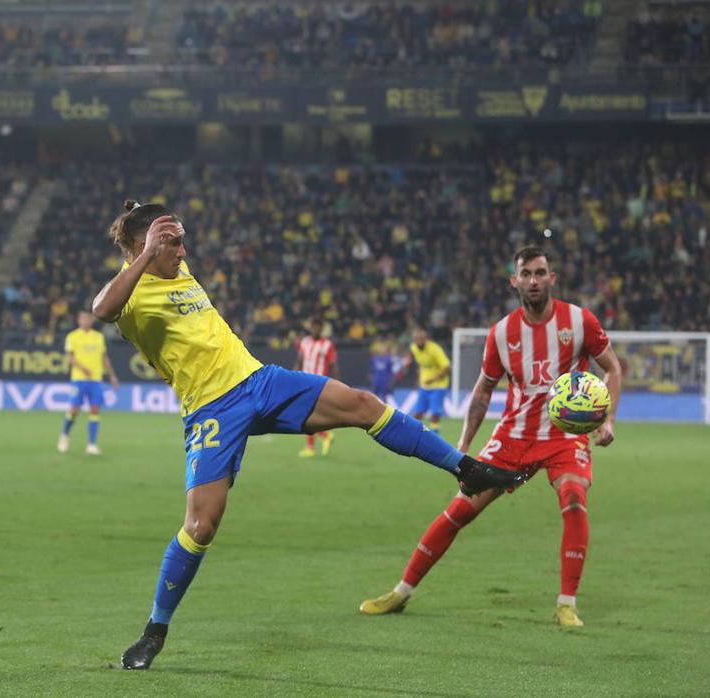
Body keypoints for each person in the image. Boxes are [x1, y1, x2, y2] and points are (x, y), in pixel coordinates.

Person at [92, 201, 526, 670]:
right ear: (144, 248)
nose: (182, 248)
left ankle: (466, 469)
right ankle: (155, 630)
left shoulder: (177, 266)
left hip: (259, 381)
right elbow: (101, 308)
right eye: (172, 241)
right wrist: (144, 251)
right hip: (211, 409)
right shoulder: (133, 292)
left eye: (181, 238)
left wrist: (146, 220)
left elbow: (147, 234)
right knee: (201, 527)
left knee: (364, 404)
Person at [360, 246, 622, 628]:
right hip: (513, 436)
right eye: (526, 274)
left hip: (564, 436)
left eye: (540, 272)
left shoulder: (579, 322)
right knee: (460, 510)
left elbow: (612, 369)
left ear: (552, 278)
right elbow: (483, 391)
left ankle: (566, 603)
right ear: (514, 281)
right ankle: (401, 592)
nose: (533, 280)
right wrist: (462, 449)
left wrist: (608, 419)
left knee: (574, 499)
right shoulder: (502, 333)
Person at [57, 311, 120, 455]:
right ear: (79, 320)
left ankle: (91, 444)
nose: (85, 321)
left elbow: (105, 358)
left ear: (91, 321)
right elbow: (69, 357)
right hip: (78, 379)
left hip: (96, 380)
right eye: (83, 319)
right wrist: (83, 368)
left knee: (95, 410)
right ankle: (64, 436)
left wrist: (112, 376)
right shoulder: (72, 336)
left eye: (88, 319)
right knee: (74, 410)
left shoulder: (98, 337)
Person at [294, 321, 338, 457]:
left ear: (322, 329)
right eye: (314, 327)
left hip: (318, 384)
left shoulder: (327, 345)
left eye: (319, 327)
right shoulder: (305, 342)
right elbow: (300, 361)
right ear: (311, 328)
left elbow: (333, 365)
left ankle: (317, 442)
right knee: (307, 415)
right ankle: (321, 439)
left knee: (306, 415)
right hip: (304, 382)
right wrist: (292, 377)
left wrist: (336, 384)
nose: (316, 330)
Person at [407, 326, 451, 431]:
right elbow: (421, 365)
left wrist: (434, 379)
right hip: (424, 386)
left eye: (421, 339)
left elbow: (448, 368)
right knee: (418, 413)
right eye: (417, 339)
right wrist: (419, 380)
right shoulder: (413, 348)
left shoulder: (435, 349)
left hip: (438, 386)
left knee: (435, 414)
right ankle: (412, 435)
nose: (419, 341)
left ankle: (435, 437)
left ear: (425, 339)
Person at [370, 339, 404, 404]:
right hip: (376, 381)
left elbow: (391, 371)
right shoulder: (376, 359)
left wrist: (390, 380)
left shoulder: (389, 359)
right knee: (374, 397)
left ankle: (384, 412)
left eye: (385, 348)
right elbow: (372, 370)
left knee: (383, 398)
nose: (383, 350)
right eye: (382, 348)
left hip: (384, 381)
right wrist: (372, 378)